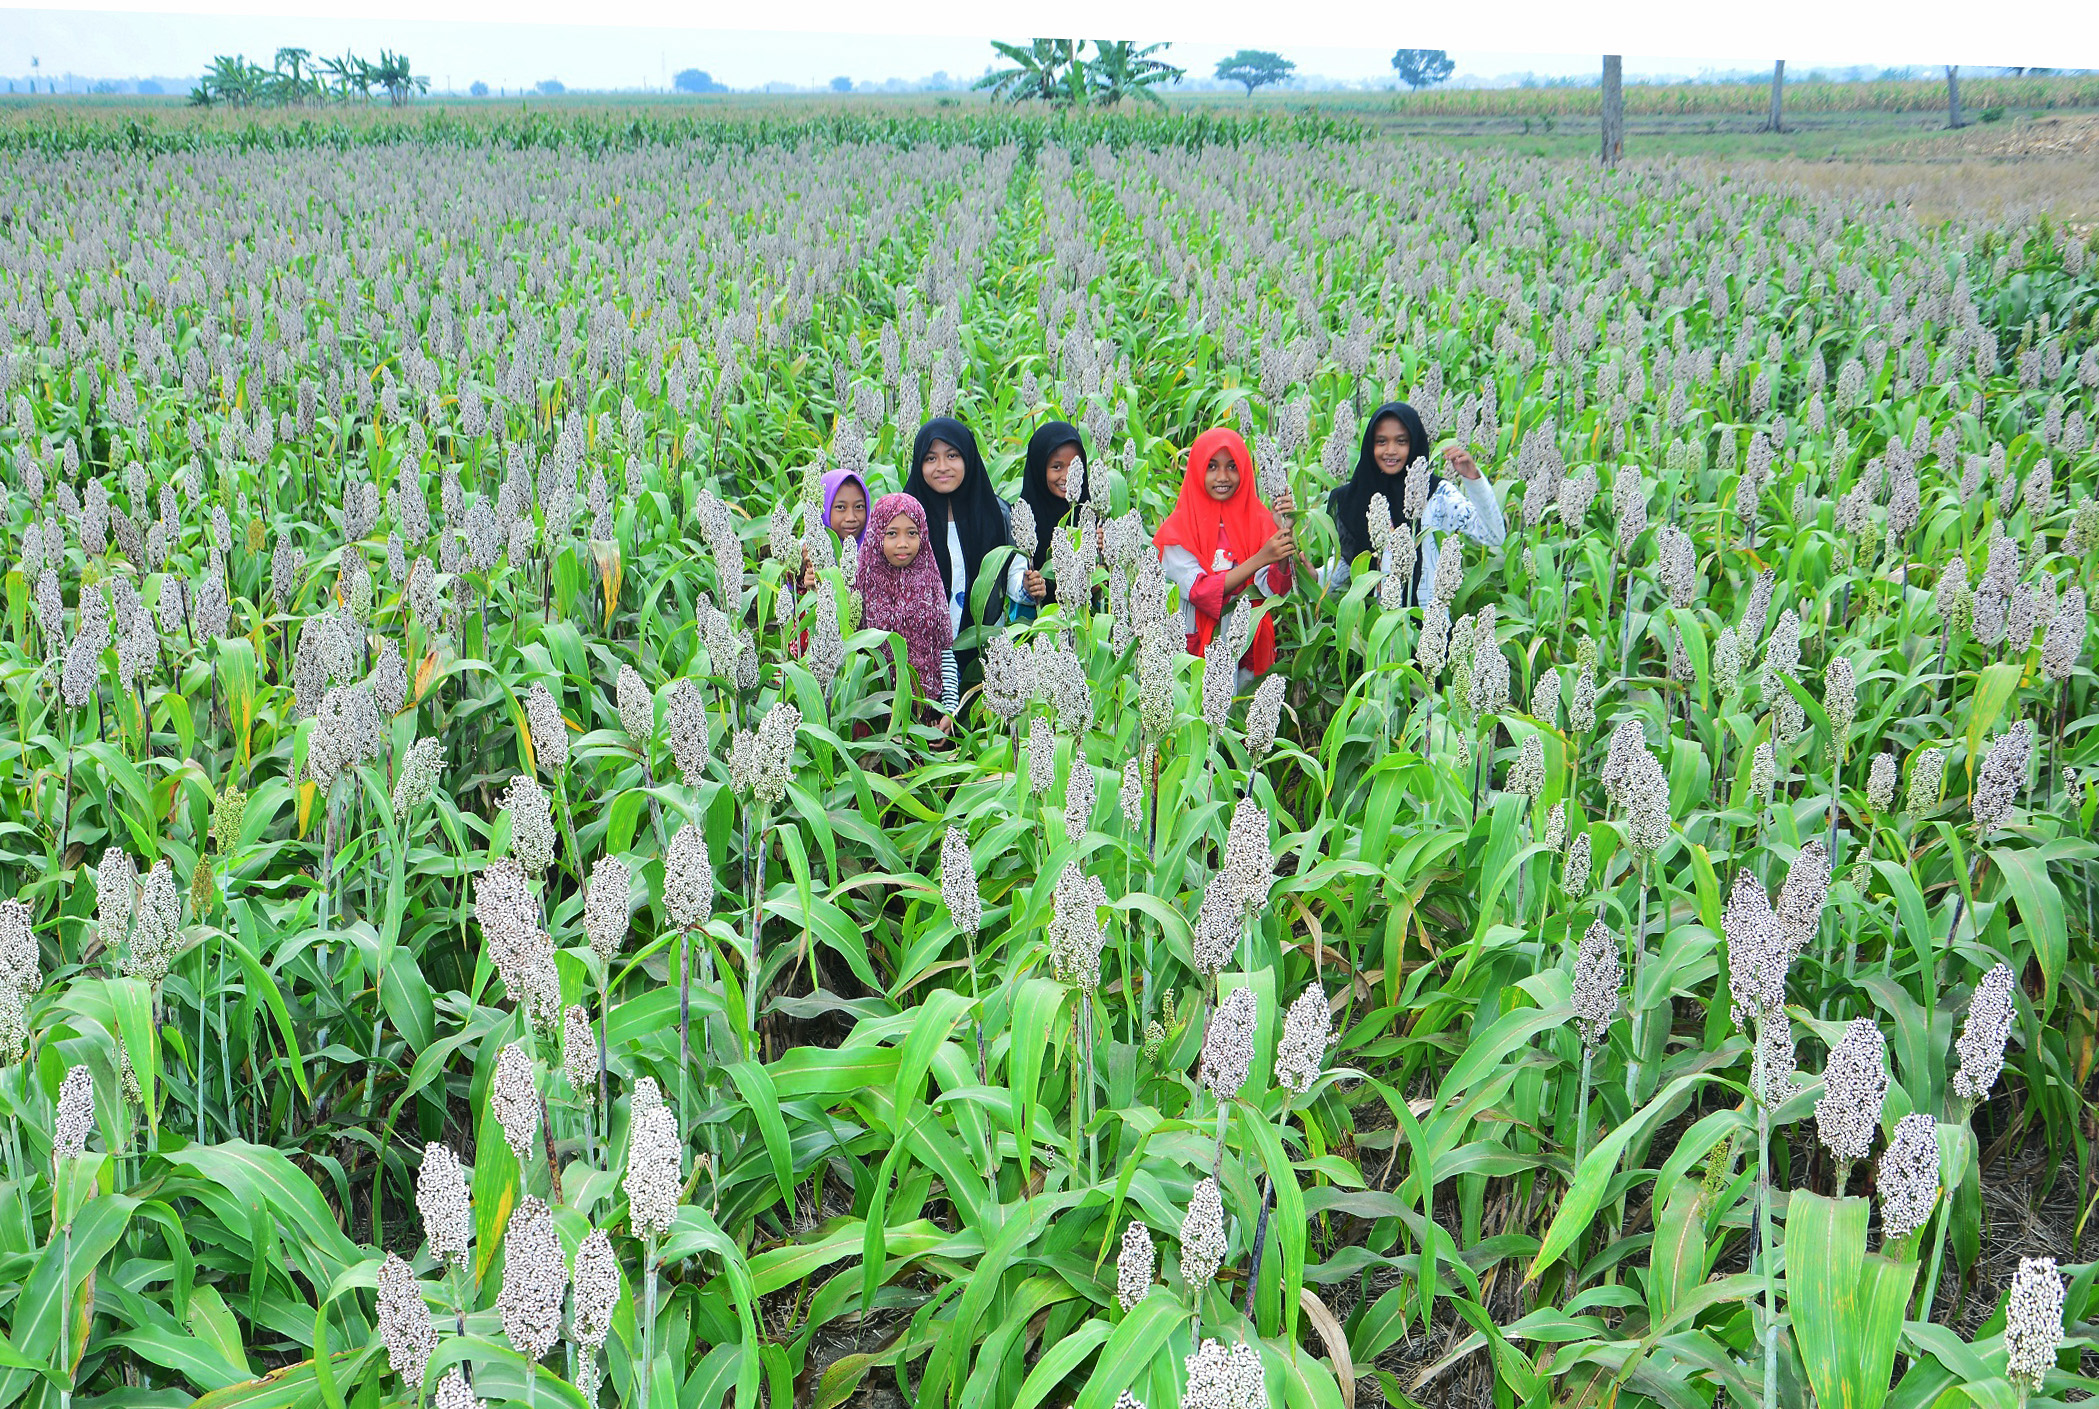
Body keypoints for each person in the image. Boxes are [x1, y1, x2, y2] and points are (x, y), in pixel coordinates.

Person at [1154, 427, 1297, 689]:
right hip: (1195, 644)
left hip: (1246, 643)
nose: (1223, 477)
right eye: (1212, 466)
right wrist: (1259, 559)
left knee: (1242, 719)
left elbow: (1275, 589)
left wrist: (1284, 533)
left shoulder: (1261, 520)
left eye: (1232, 466)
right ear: (1197, 470)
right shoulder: (1179, 529)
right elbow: (1199, 591)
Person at [1325, 400, 1504, 604]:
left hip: (1429, 626)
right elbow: (1347, 563)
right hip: (1377, 628)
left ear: (1414, 442)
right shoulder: (1357, 497)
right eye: (1381, 441)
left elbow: (1493, 536)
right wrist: (1314, 578)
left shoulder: (1437, 495)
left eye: (1401, 441)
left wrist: (1474, 480)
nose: (1390, 450)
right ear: (1369, 445)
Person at [903, 417, 1013, 671]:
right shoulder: (905, 514)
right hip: (919, 655)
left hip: (985, 650)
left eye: (952, 455)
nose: (942, 466)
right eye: (930, 458)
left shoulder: (996, 513)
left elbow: (1013, 573)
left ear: (968, 457)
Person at [858, 492, 960, 730]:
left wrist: (949, 709)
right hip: (873, 722)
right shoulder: (860, 582)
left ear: (923, 535)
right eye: (892, 533)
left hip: (925, 719)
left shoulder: (931, 582)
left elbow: (944, 651)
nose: (902, 543)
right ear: (876, 535)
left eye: (912, 533)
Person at [1008, 420, 1093, 617]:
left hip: (1086, 629)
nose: (1066, 476)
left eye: (1074, 467)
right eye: (1056, 467)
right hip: (1038, 625)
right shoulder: (1022, 517)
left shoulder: (1089, 512)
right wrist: (1029, 586)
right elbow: (1012, 578)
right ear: (1039, 468)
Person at [798, 468, 870, 592]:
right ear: (823, 508)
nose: (851, 517)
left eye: (859, 507)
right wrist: (807, 585)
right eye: (841, 507)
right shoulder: (805, 551)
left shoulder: (876, 551)